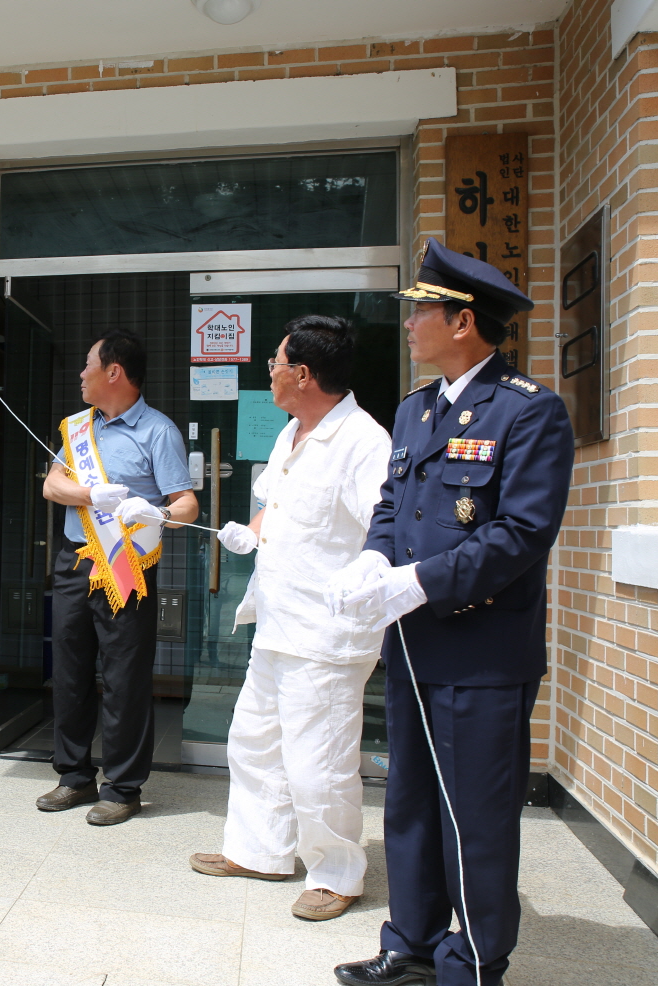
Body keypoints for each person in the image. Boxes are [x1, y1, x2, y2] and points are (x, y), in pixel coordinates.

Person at [326, 239, 574, 986]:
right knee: (410, 803)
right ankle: (411, 944)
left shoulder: (528, 412)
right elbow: (392, 506)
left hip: (481, 650)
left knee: (476, 818)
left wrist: (421, 582)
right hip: (414, 644)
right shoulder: (416, 410)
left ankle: (473, 963)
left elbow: (521, 533)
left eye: (421, 312)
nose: (408, 325)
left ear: (462, 321)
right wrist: (375, 560)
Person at [187, 315, 391, 922]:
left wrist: (366, 577)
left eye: (275, 362)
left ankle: (336, 873)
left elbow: (384, 528)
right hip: (276, 620)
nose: (269, 371)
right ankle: (259, 851)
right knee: (254, 742)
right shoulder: (291, 433)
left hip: (326, 634)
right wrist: (250, 532)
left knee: (317, 762)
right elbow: (276, 508)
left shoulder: (363, 442)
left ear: (303, 374)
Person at [36, 331, 197, 825]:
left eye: (88, 364)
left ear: (114, 372)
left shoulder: (158, 432)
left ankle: (123, 788)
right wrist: (90, 495)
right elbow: (52, 484)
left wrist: (155, 513)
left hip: (127, 565)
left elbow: (187, 506)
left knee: (124, 678)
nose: (81, 374)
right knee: (69, 672)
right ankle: (74, 777)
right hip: (74, 563)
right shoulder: (77, 428)